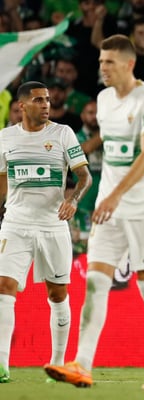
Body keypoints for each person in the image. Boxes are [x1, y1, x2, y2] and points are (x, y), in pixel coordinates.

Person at [44, 34, 144, 389]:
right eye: (101, 61)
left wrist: (115, 196)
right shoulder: (102, 100)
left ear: (129, 64)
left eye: (109, 62)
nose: (102, 68)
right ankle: (82, 363)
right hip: (109, 207)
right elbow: (111, 150)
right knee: (96, 281)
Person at [0, 81, 92, 383]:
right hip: (15, 224)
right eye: (39, 100)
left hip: (52, 224)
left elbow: (84, 177)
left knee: (57, 293)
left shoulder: (63, 134)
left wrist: (73, 200)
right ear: (22, 105)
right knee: (3, 287)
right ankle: (1, 364)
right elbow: (2, 182)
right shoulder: (5, 138)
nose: (46, 105)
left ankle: (57, 363)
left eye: (48, 100)